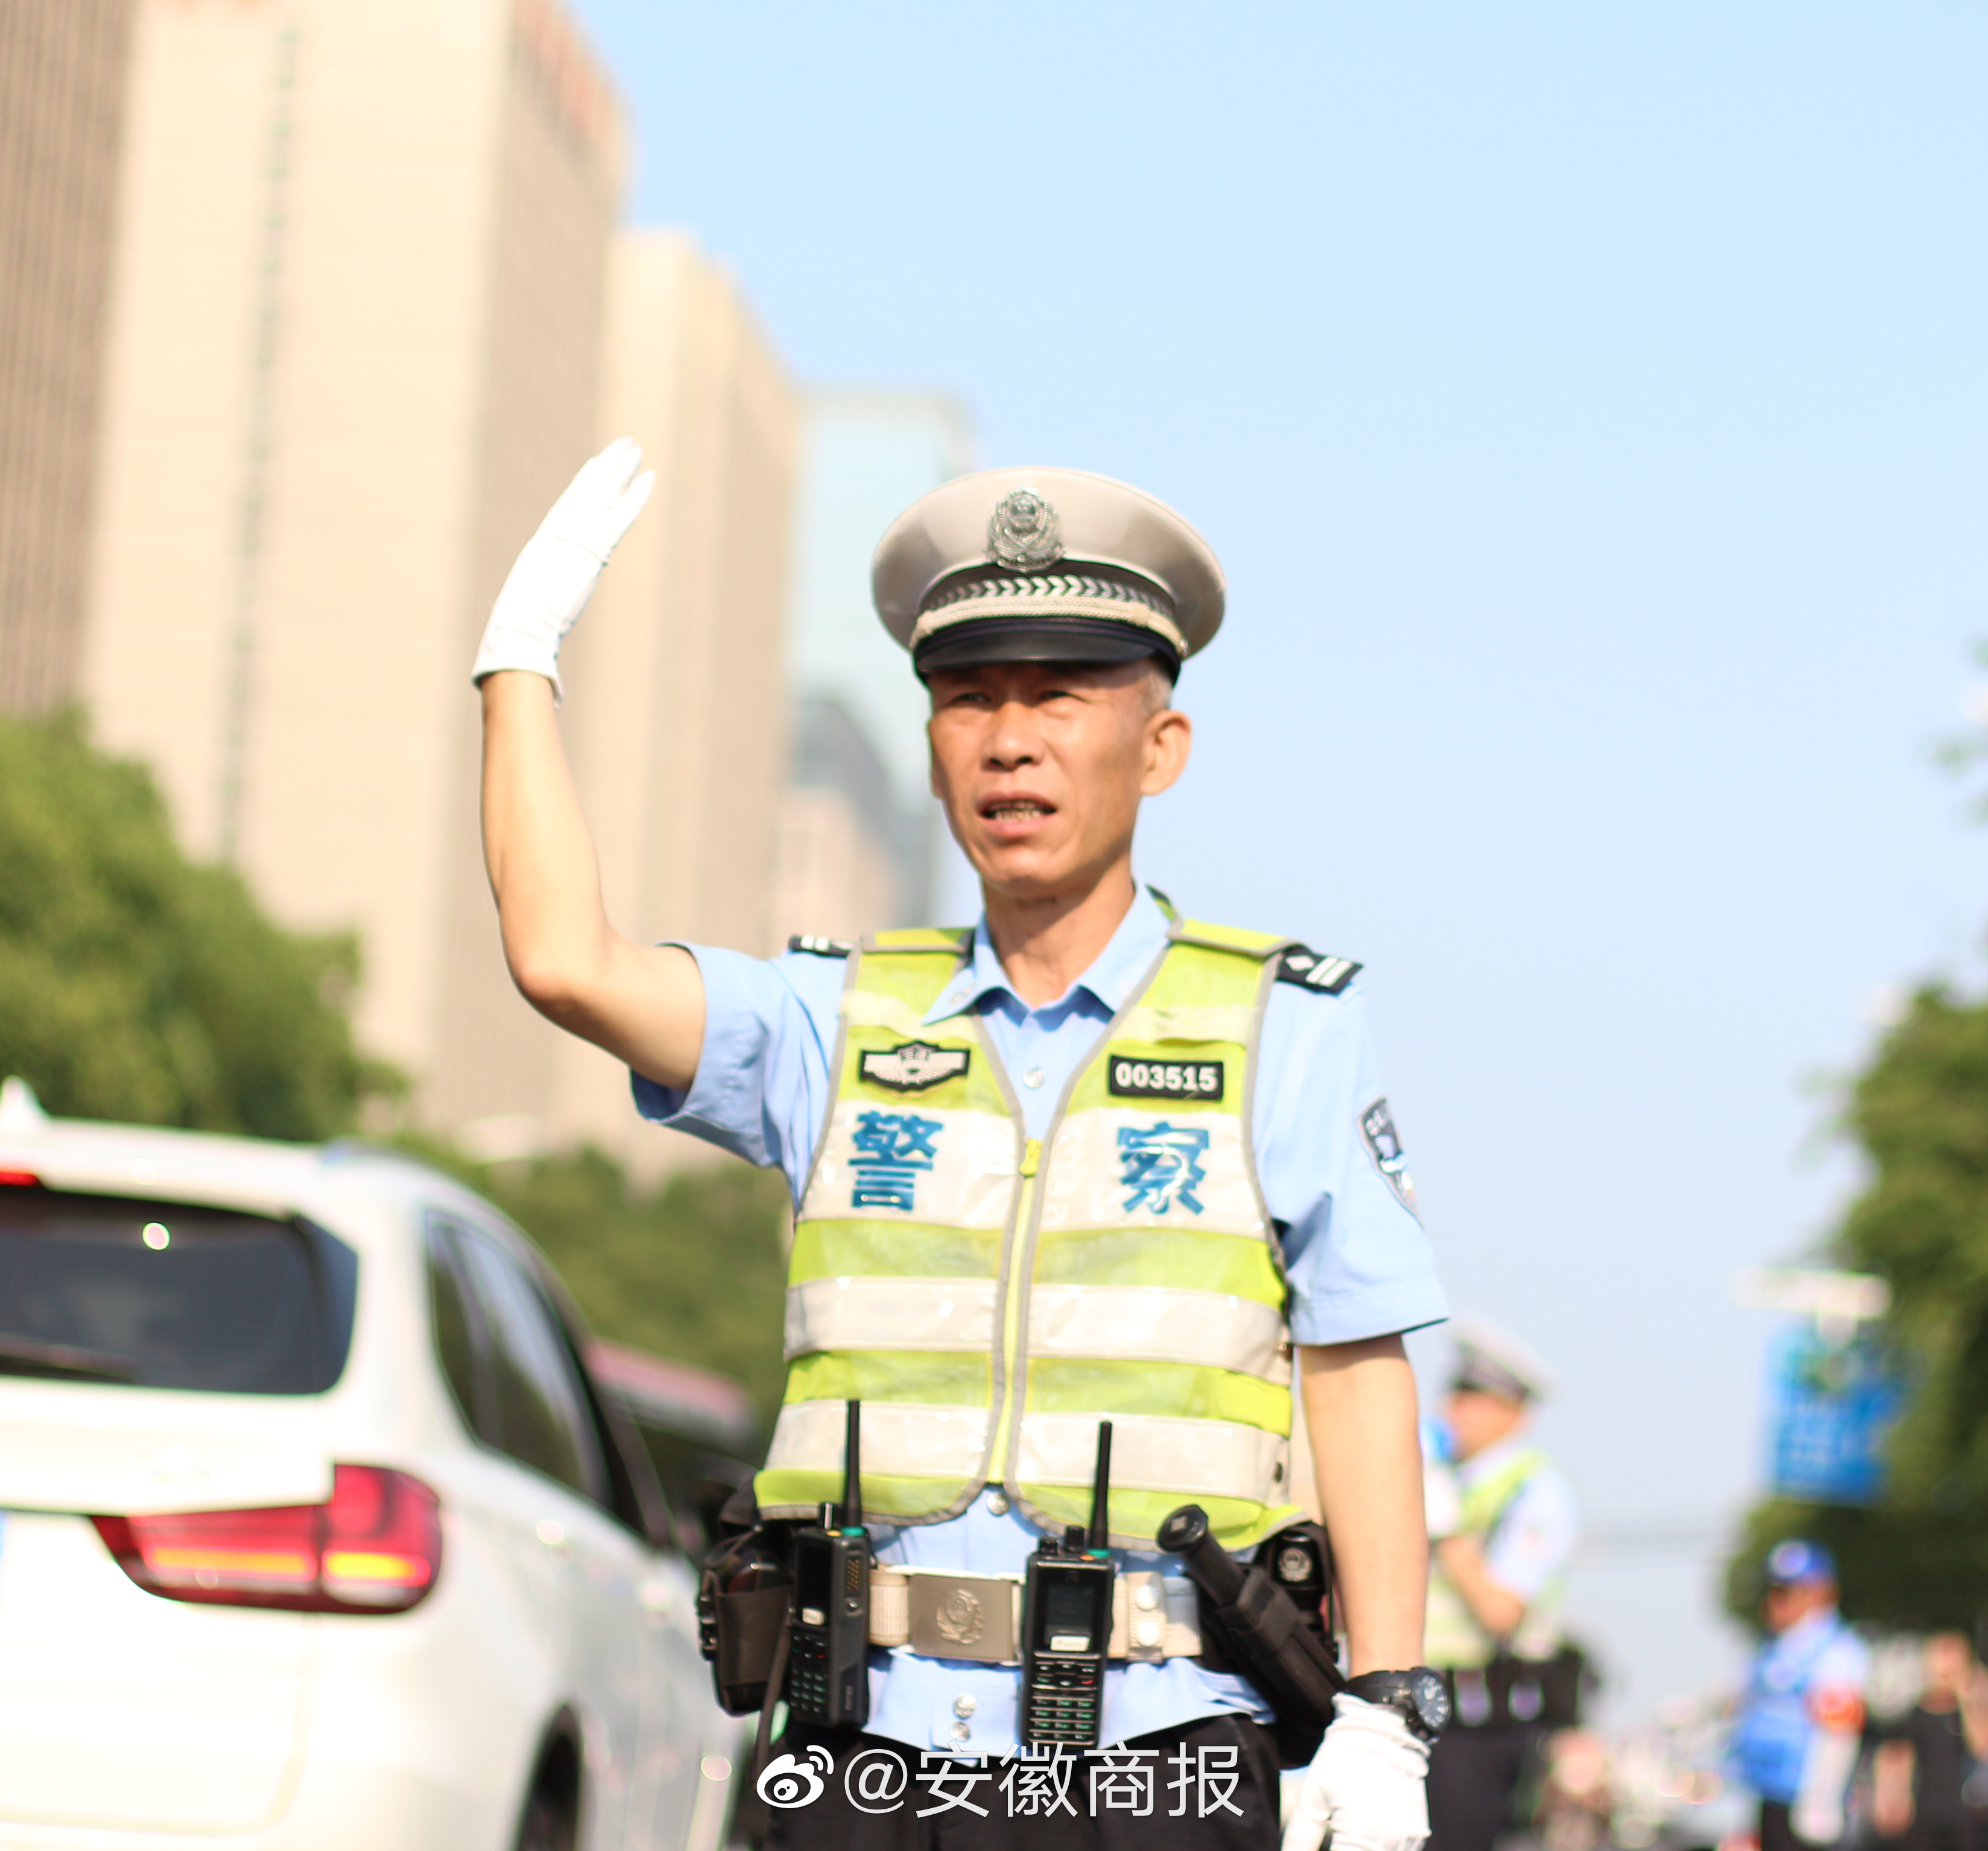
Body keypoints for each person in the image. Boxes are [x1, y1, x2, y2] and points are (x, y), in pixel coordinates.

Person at [472, 448, 1454, 1851]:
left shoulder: (1276, 1028)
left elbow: (1358, 1366)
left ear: (1159, 745)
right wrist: (517, 664)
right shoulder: (833, 1016)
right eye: (967, 696)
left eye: (1058, 694)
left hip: (1154, 1746)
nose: (1008, 740)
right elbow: (565, 961)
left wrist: (1385, 1703)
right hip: (859, 1744)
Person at [1422, 1320, 1580, 1851]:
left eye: (1475, 1399)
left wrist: (1447, 1533)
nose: (1455, 1410)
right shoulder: (1446, 1476)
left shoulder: (1534, 1491)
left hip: (1476, 1723)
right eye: (1456, 1393)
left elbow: (1501, 1612)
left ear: (1516, 1412)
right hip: (1419, 1707)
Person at [1729, 1541, 1870, 1851]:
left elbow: (1838, 1732)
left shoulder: (1836, 1653)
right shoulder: (1777, 1646)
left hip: (1803, 1802)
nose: (1775, 1602)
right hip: (1769, 1791)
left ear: (1820, 1592)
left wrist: (1821, 1799)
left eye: (1787, 1591)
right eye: (1773, 1591)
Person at [1867, 1632, 1988, 1851]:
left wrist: (1972, 1698)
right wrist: (1889, 1800)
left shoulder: (1972, 1711)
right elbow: (1894, 1757)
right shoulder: (1912, 1714)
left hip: (1969, 1819)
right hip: (1922, 1818)